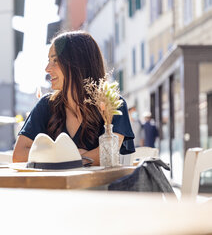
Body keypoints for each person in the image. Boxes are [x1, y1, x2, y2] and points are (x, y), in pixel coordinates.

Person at [12, 31, 135, 166]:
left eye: (55, 61)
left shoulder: (112, 104)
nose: (47, 68)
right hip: (55, 187)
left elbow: (107, 154)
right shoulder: (46, 105)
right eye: (49, 61)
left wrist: (52, 158)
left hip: (100, 186)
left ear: (77, 63)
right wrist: (77, 156)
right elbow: (19, 155)